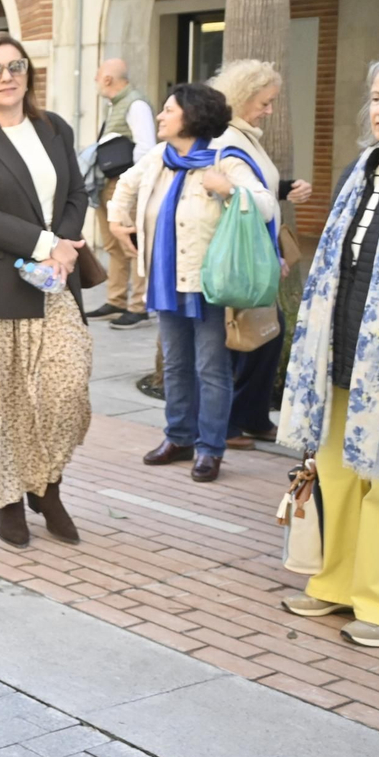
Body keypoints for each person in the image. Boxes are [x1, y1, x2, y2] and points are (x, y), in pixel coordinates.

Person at [0, 32, 92, 547]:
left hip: (54, 285)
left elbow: (76, 190)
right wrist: (49, 243)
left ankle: (46, 485)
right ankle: (9, 500)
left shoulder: (53, 127)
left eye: (16, 66)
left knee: (63, 393)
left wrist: (65, 246)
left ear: (28, 74)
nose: (7, 77)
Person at [108, 83, 276, 483]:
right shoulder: (158, 158)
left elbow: (266, 204)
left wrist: (230, 190)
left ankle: (210, 448)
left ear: (192, 116)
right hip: (166, 280)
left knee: (211, 369)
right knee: (177, 365)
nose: (161, 117)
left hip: (210, 285)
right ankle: (179, 437)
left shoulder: (225, 159)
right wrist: (118, 222)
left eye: (168, 110)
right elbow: (126, 185)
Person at [279, 60, 379, 648]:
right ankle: (335, 582)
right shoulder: (358, 172)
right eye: (375, 97)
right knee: (339, 474)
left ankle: (374, 599)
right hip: (343, 355)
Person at [211, 60, 314, 449]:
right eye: (265, 102)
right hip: (244, 256)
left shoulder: (245, 135)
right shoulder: (230, 142)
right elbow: (253, 201)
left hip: (253, 250)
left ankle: (249, 418)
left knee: (266, 333)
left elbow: (260, 187)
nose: (270, 110)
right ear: (242, 98)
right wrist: (275, 201)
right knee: (251, 336)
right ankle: (234, 421)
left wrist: (284, 189)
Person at [89, 59, 158, 329]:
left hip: (125, 184)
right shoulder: (117, 104)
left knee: (132, 245)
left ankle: (138, 306)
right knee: (113, 246)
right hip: (108, 183)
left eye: (97, 76)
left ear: (107, 79)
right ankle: (116, 301)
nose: (96, 81)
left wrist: (132, 186)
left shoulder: (136, 104)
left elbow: (146, 148)